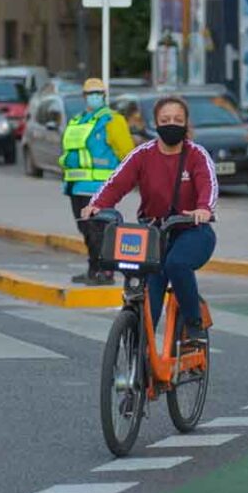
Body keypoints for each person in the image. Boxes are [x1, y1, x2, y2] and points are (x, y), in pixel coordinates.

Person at [82, 96, 218, 340]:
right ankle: (141, 352)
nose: (171, 124)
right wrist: (97, 206)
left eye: (178, 119)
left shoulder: (196, 155)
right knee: (147, 288)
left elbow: (208, 184)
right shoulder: (142, 155)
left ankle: (193, 322)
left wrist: (204, 209)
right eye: (165, 120)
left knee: (176, 264)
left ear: (187, 123)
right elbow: (116, 182)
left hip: (192, 230)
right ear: (155, 123)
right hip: (153, 234)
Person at [60, 78, 134, 286]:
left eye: (98, 93)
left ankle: (105, 272)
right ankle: (94, 270)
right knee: (86, 230)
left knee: (98, 231)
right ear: (84, 97)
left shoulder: (112, 120)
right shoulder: (78, 120)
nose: (94, 97)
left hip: (100, 187)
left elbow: (127, 153)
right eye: (90, 93)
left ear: (104, 95)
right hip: (76, 186)